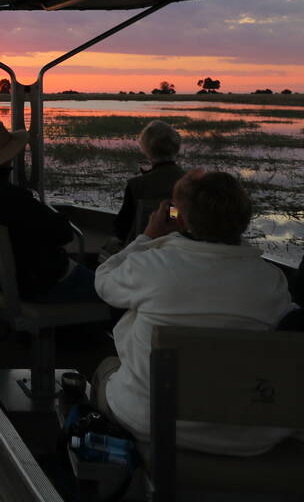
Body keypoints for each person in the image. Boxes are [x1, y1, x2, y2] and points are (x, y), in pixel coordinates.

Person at [94, 169, 292, 455]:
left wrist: (147, 236)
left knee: (106, 370)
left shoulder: (152, 266)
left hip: (149, 421)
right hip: (243, 435)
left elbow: (104, 282)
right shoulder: (271, 281)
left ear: (180, 218)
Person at [0, 120, 98, 303]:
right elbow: (64, 234)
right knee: (119, 295)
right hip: (37, 284)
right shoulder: (11, 198)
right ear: (6, 157)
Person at [112, 119, 184, 243]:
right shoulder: (191, 182)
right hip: (181, 248)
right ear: (176, 148)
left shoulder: (136, 185)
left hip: (142, 250)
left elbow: (122, 229)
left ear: (147, 150)